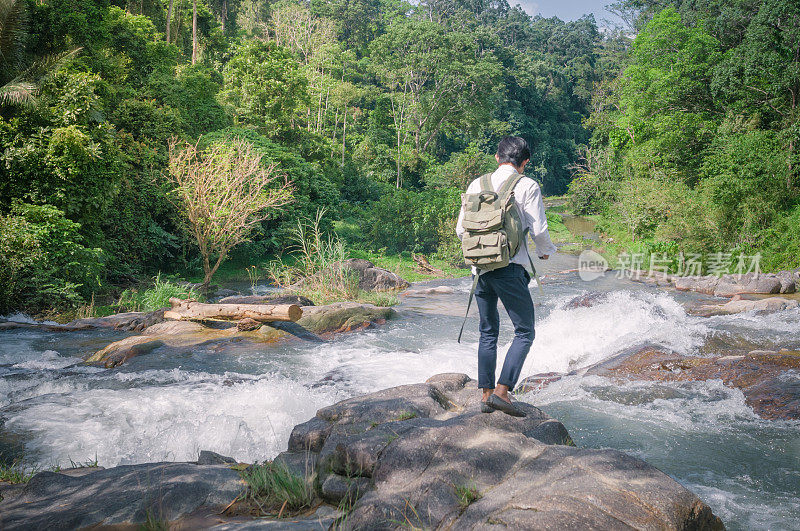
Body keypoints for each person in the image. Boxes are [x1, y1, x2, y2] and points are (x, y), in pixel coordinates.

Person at [456, 136, 557, 417]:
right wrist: (546, 251)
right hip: (510, 269)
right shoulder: (527, 185)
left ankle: (486, 394)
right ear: (524, 162)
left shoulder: (477, 184)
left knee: (488, 331)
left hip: (480, 270)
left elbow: (460, 231)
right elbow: (538, 230)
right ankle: (502, 392)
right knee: (525, 331)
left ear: (497, 157)